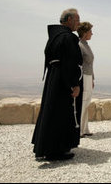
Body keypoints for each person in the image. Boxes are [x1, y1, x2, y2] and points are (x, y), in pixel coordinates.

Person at [32, 8, 83, 161]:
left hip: (54, 78)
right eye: (77, 20)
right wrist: (74, 84)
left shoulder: (55, 36)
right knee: (61, 113)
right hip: (63, 81)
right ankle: (56, 150)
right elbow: (71, 63)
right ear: (69, 20)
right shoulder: (68, 38)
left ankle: (45, 146)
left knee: (51, 111)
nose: (78, 23)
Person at [77, 22, 95, 137]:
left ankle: (85, 128)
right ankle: (79, 130)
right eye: (90, 32)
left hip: (88, 76)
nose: (92, 34)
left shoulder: (86, 44)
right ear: (84, 33)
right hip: (83, 76)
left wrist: (92, 78)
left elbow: (90, 64)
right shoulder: (79, 45)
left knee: (87, 102)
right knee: (83, 102)